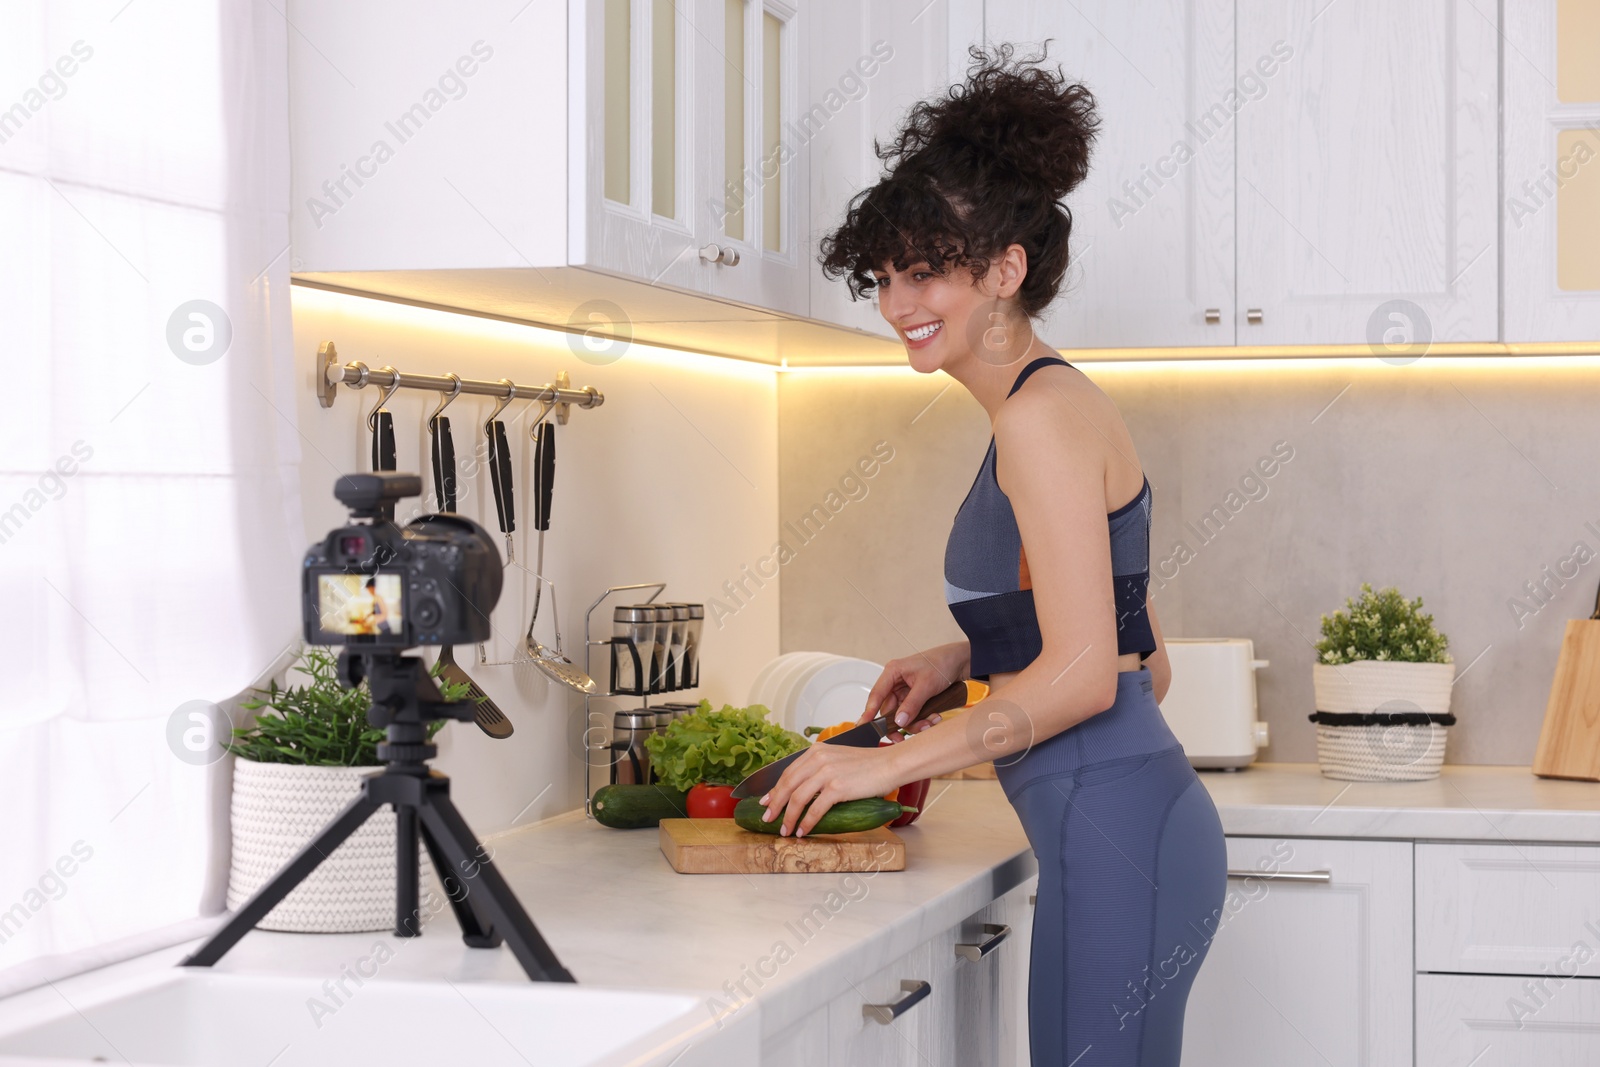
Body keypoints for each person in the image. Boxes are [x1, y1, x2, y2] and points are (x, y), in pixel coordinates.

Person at [755, 43, 1228, 1066]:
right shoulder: (1038, 405)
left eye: (925, 270)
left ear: (1006, 269)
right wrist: (963, 656)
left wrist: (871, 761)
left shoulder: (1039, 420)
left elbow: (1089, 672)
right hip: (1125, 833)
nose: (897, 302)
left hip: (1120, 846)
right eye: (884, 276)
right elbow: (1141, 647)